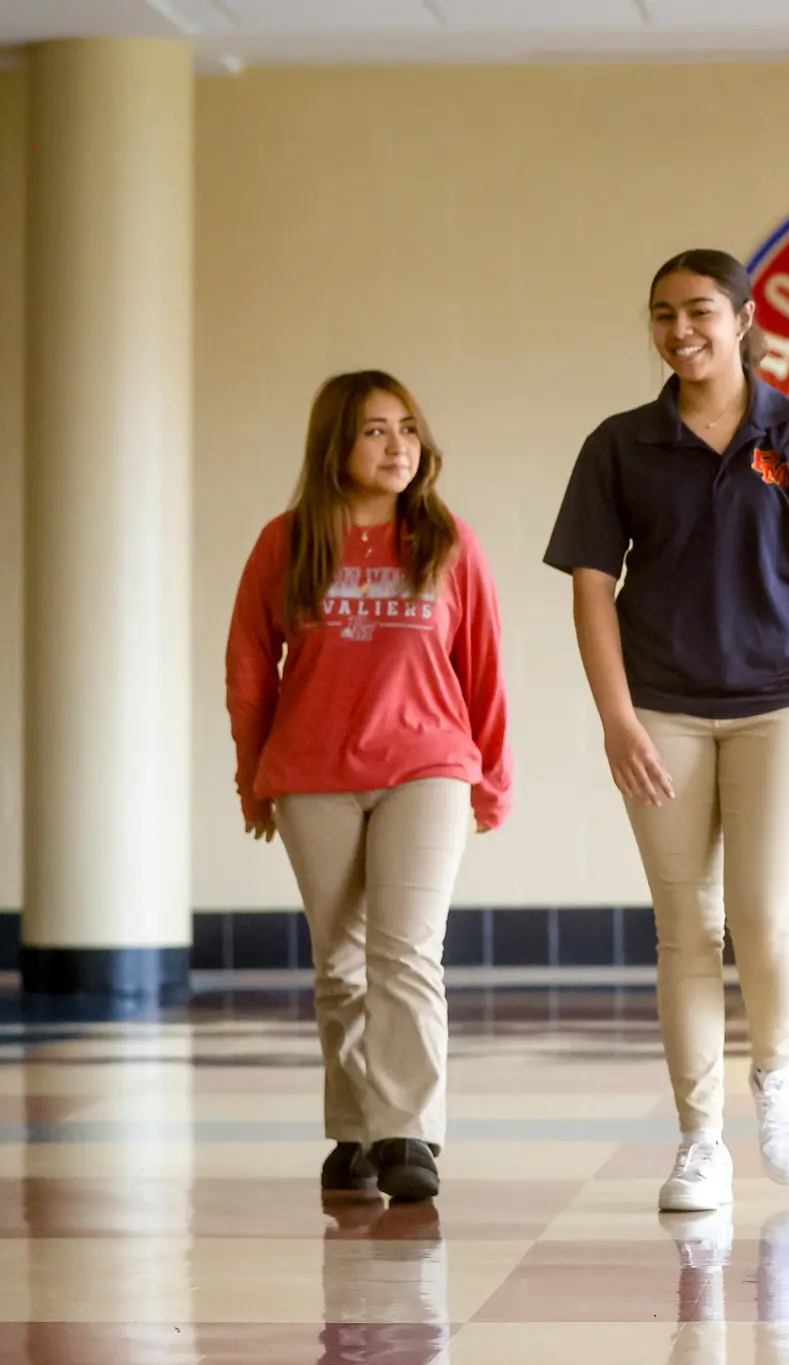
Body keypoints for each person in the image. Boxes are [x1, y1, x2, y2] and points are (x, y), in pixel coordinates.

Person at [545, 248, 789, 1214]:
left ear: (741, 318)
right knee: (683, 929)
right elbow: (590, 589)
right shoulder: (618, 445)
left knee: (760, 911)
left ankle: (776, 1075)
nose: (680, 328)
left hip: (781, 702)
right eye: (663, 313)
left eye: (700, 309)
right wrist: (616, 718)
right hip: (659, 708)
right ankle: (700, 1140)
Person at [227, 370, 510, 1203]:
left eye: (408, 429)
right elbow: (250, 674)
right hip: (311, 774)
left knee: (407, 949)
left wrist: (493, 776)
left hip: (428, 766)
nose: (398, 446)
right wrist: (252, 780)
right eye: (376, 431)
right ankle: (354, 1129)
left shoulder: (447, 541)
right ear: (335, 446)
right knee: (340, 963)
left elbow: (484, 668)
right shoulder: (285, 543)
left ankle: (407, 1132)